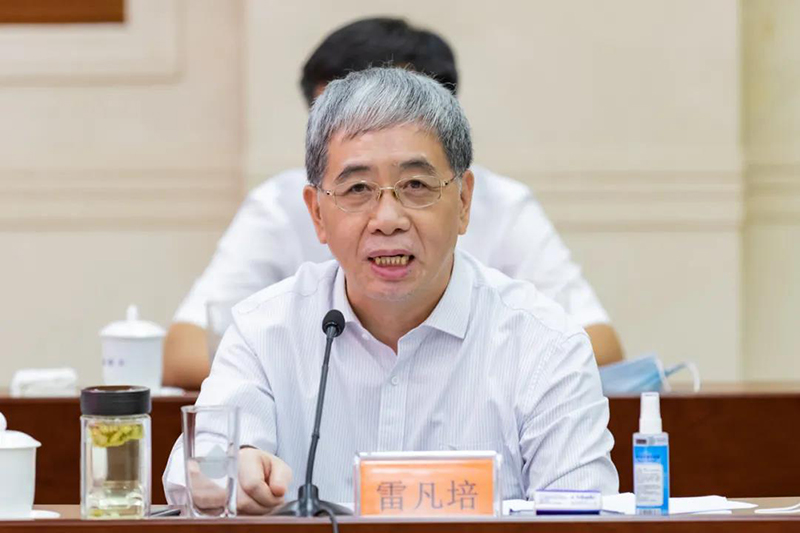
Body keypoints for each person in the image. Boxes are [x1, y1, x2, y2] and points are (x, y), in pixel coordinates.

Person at [163, 67, 618, 512]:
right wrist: (230, 470)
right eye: (357, 189)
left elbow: (587, 515)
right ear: (317, 214)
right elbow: (198, 467)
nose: (387, 219)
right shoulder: (265, 330)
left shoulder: (544, 345)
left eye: (416, 185)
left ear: (463, 201)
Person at [163, 17, 623, 390]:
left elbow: (595, 345)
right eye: (335, 112)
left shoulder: (504, 204)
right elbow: (185, 350)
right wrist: (329, 376)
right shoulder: (278, 206)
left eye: (416, 185)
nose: (387, 219)